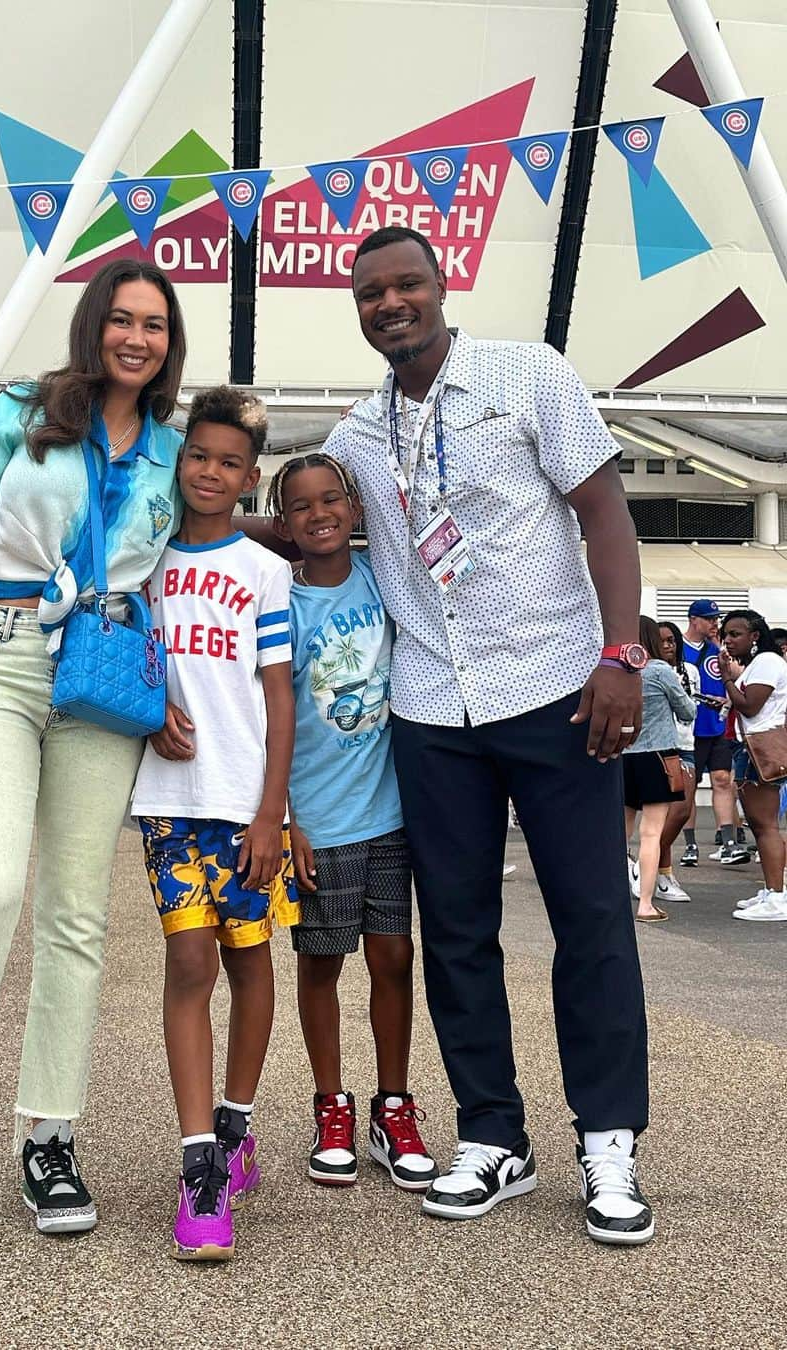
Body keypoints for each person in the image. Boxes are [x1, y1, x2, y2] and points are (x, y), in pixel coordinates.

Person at [321, 225, 654, 1245]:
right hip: (433, 709)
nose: (391, 305)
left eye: (406, 285)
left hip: (558, 688)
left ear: (440, 284)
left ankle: (608, 1142)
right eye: (371, 293)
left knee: (591, 920)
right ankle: (493, 1134)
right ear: (360, 309)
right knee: (456, 929)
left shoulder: (529, 375)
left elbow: (604, 511)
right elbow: (311, 530)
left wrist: (622, 655)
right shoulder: (355, 438)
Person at [0, 258, 186, 1269]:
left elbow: (205, 558)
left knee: (76, 916)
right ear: (94, 324)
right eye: (122, 318)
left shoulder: (170, 452)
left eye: (154, 324)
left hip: (104, 682)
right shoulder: (25, 410)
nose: (135, 338)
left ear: (168, 343)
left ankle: (48, 1137)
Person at [132, 387, 298, 1263]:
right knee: (189, 959)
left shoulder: (264, 573)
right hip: (170, 796)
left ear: (251, 478)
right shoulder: (146, 562)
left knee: (249, 958)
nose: (210, 472)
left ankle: (237, 1126)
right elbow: (131, 654)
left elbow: (279, 695)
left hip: (245, 804)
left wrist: (274, 809)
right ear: (179, 458)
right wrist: (149, 702)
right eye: (199, 455)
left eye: (230, 462)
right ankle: (199, 1161)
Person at [268, 451, 434, 1192]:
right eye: (300, 506)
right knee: (322, 961)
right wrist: (286, 819)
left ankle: (392, 1105)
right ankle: (329, 1105)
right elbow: (270, 720)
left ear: (357, 510)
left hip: (391, 813)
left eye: (332, 499)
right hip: (319, 822)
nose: (319, 514)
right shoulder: (283, 604)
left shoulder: (382, 582)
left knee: (394, 958)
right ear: (283, 524)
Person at [623, 618, 695, 922]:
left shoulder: (618, 671)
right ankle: (646, 904)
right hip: (658, 758)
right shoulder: (660, 671)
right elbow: (687, 711)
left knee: (620, 834)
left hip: (623, 756)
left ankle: (613, 900)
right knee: (651, 833)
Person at [719, 609, 787, 922]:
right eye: (726, 635)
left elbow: (750, 706)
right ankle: (771, 890)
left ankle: (776, 897)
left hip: (760, 750)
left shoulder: (768, 662)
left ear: (755, 637)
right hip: (749, 749)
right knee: (759, 825)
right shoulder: (758, 664)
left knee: (766, 825)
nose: (728, 641)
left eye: (736, 634)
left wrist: (728, 680)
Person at [682, 599, 748, 866]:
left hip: (718, 725)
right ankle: (690, 844)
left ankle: (729, 842)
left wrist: (722, 649)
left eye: (716, 619)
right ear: (694, 620)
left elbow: (738, 675)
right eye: (709, 619)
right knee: (690, 786)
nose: (714, 624)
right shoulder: (679, 647)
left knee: (722, 779)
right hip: (690, 729)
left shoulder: (719, 649)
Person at [652, 620, 698, 900]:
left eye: (672, 640)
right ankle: (661, 871)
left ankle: (651, 864)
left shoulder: (689, 671)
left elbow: (690, 711)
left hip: (687, 744)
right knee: (664, 813)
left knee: (681, 811)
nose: (668, 645)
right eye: (662, 640)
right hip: (661, 746)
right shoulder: (650, 671)